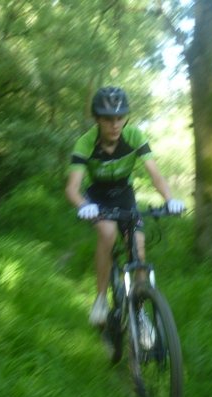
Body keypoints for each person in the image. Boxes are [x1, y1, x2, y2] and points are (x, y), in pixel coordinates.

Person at [65, 86, 185, 327]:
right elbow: (71, 188)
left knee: (138, 247)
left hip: (124, 195)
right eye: (108, 119)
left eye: (120, 118)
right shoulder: (85, 143)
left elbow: (155, 175)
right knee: (108, 233)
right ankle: (100, 299)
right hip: (96, 198)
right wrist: (82, 205)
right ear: (97, 119)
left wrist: (169, 199)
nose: (115, 124)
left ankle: (140, 314)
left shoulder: (135, 137)